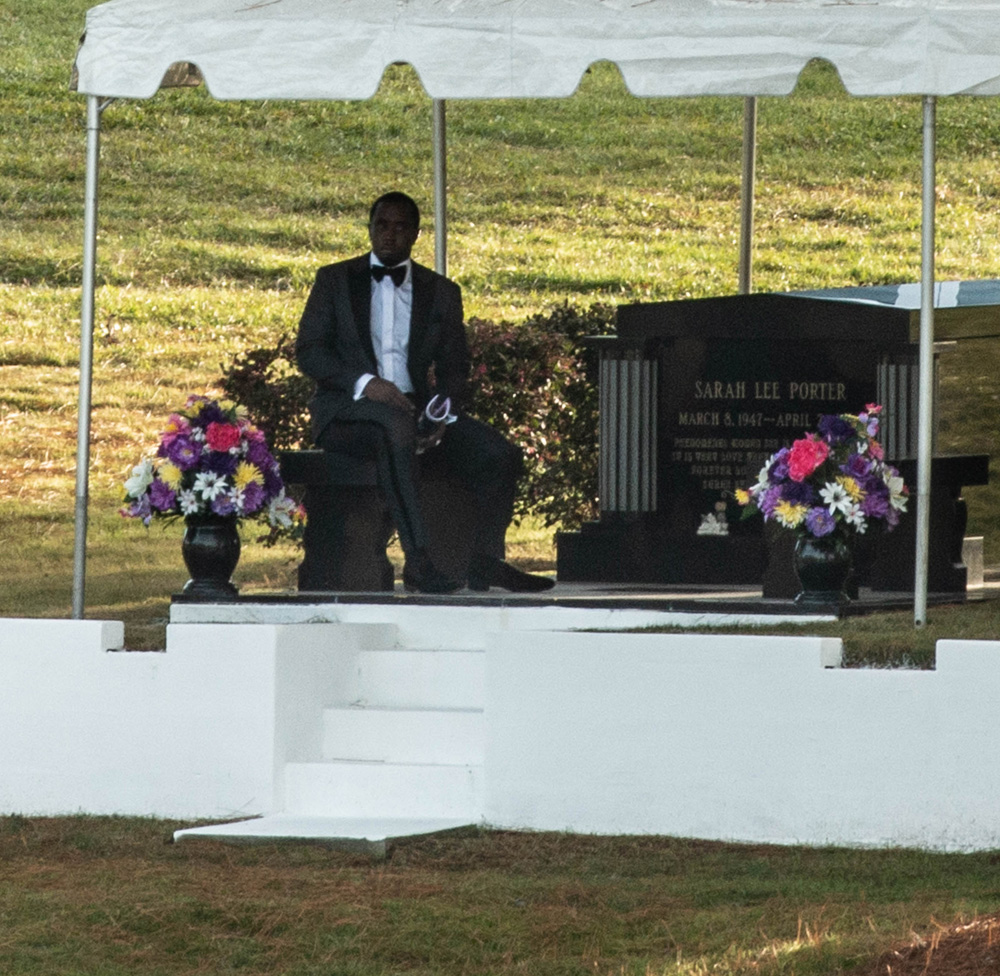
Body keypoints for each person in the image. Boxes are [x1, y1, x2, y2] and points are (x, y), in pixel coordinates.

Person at [295, 191, 555, 594]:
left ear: (416, 234)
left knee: (498, 455)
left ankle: (485, 562)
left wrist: (441, 413)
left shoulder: (440, 292)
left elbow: (455, 366)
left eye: (400, 228)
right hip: (347, 412)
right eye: (382, 225)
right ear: (370, 228)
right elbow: (310, 351)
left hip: (414, 410)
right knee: (394, 429)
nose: (389, 236)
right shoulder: (335, 281)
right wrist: (367, 384)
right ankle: (420, 563)